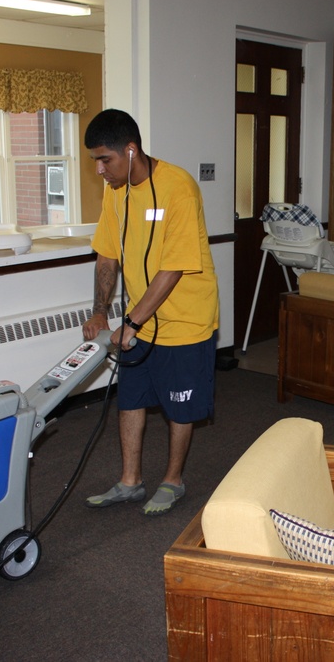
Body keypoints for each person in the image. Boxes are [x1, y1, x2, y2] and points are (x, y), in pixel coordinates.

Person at [80, 109, 219, 516]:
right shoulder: (115, 191)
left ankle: (173, 481)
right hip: (140, 318)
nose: (100, 170)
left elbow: (173, 267)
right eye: (95, 161)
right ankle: (129, 482)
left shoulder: (179, 188)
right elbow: (107, 255)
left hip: (185, 319)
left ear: (130, 149)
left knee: (180, 404)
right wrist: (100, 312)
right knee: (131, 399)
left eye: (105, 160)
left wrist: (132, 321)